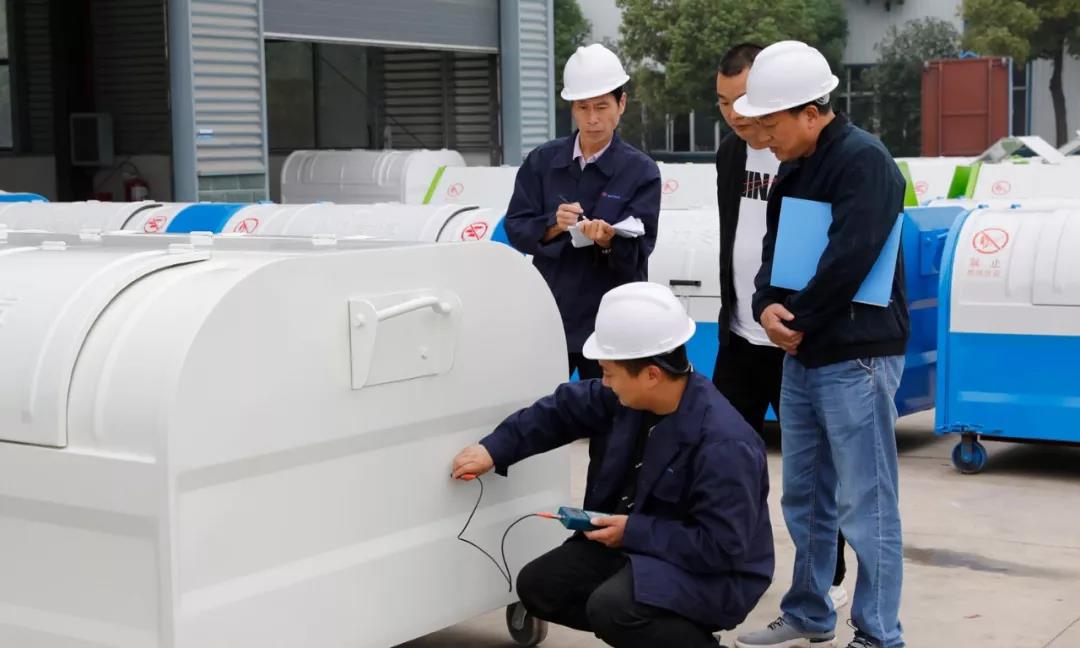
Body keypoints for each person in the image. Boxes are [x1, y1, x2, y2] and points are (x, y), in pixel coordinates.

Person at [451, 282, 773, 648]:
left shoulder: (724, 445)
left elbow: (721, 547)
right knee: (540, 587)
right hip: (640, 544)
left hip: (714, 573)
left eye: (608, 372)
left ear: (651, 375)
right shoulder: (627, 398)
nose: (603, 381)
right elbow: (561, 410)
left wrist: (632, 531)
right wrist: (493, 449)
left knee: (614, 609)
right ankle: (672, 634)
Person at [731, 41, 909, 648]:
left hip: (857, 355)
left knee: (867, 500)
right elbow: (773, 251)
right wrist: (765, 305)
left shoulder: (865, 162)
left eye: (770, 123)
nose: (762, 135)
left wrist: (798, 317)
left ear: (811, 112)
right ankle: (809, 610)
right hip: (803, 352)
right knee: (805, 494)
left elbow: (850, 258)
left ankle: (879, 632)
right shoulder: (794, 166)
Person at [712, 42, 849, 612]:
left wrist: (797, 316)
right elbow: (738, 238)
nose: (736, 114)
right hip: (741, 334)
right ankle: (732, 558)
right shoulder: (729, 154)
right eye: (724, 103)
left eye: (745, 100)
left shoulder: (808, 151)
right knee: (722, 457)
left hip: (794, 336)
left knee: (813, 468)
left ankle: (829, 575)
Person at [503, 43, 661, 381]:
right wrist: (554, 225)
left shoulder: (641, 171)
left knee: (610, 409)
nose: (592, 119)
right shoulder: (543, 161)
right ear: (572, 108)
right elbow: (516, 226)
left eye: (602, 107)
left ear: (621, 104)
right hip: (552, 315)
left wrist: (608, 240)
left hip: (612, 322)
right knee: (543, 405)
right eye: (583, 107)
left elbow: (640, 251)